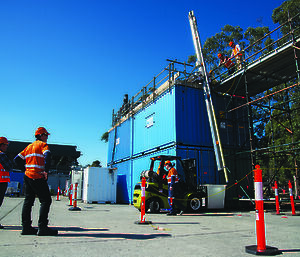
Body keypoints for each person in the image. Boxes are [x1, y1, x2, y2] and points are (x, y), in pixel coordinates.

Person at [14, 127, 58, 236]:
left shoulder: (29, 147)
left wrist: (25, 170)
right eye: (46, 135)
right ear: (41, 135)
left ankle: (26, 227)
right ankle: (42, 227)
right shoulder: (43, 145)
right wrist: (46, 171)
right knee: (46, 200)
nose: (47, 137)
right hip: (37, 176)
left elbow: (17, 159)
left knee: (28, 201)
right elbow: (48, 155)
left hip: (28, 177)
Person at [0, 137, 13, 229]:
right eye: (6, 145)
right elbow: (9, 166)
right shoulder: (1, 155)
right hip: (1, 182)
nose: (7, 147)